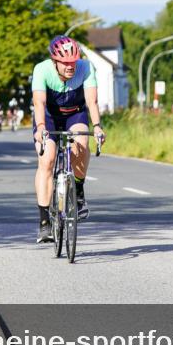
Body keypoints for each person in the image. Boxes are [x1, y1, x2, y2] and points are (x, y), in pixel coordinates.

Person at [31, 35, 106, 243]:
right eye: (65, 63)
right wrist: (40, 129)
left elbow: (92, 101)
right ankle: (44, 222)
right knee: (47, 158)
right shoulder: (41, 70)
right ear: (55, 61)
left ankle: (79, 192)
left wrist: (98, 126)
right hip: (48, 116)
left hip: (75, 113)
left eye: (73, 62)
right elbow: (39, 103)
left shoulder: (86, 68)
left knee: (81, 142)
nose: (70, 66)